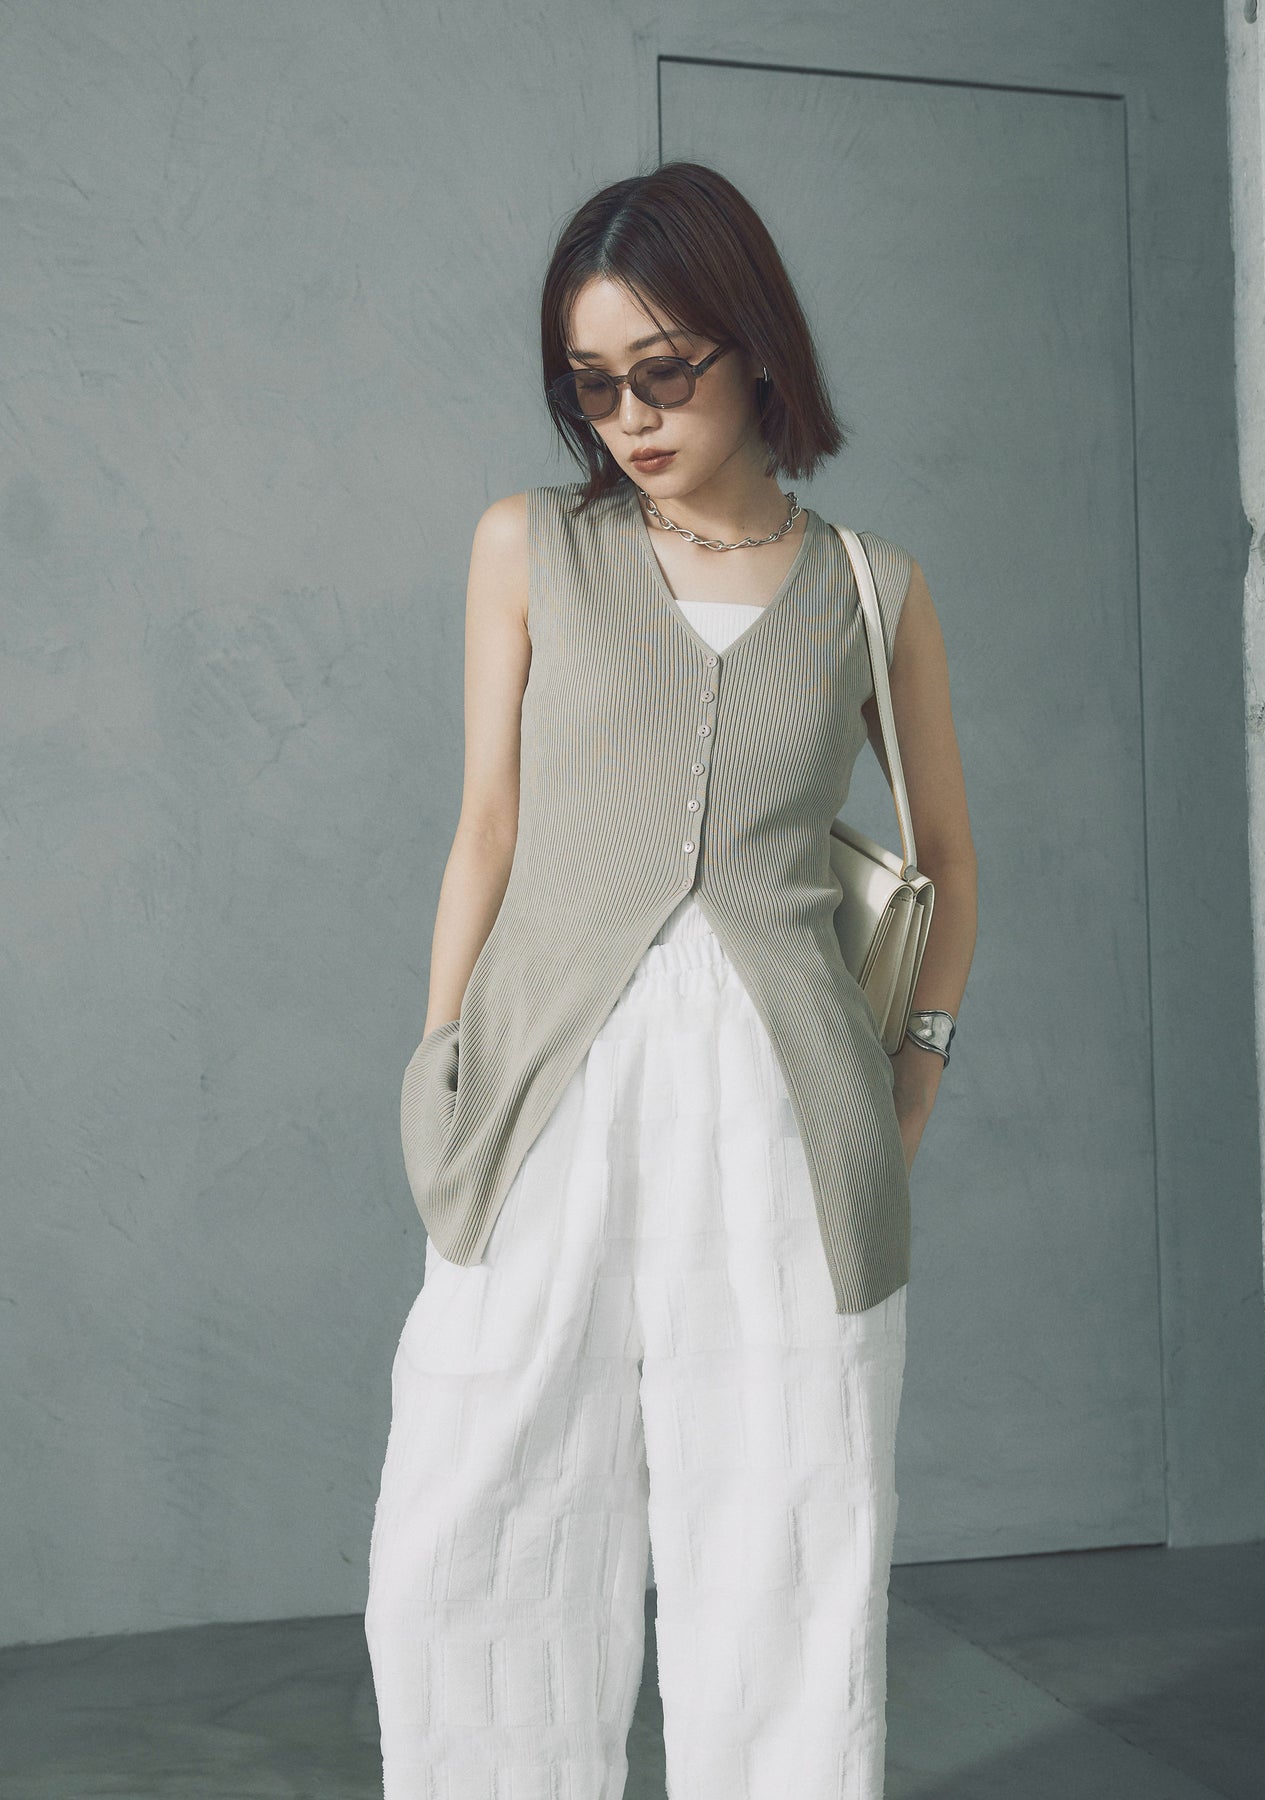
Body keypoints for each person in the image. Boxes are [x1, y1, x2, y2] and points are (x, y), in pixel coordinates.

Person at [364, 160, 978, 1800]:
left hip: (790, 1115)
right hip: (545, 1092)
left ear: (754, 348)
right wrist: (440, 1063)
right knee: (478, 1517)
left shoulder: (869, 590)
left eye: (662, 371)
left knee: (789, 1515)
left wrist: (912, 1073)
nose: (626, 416)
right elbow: (486, 829)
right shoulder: (530, 548)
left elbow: (947, 859)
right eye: (590, 383)